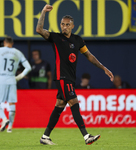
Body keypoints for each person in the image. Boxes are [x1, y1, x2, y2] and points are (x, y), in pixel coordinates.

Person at [36, 4, 114, 145]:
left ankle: (45, 137)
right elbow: (39, 29)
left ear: (73, 26)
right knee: (74, 102)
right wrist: (43, 12)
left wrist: (103, 68)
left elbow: (89, 55)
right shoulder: (56, 38)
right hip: (62, 77)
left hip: (69, 78)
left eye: (67, 24)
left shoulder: (78, 40)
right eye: (62, 24)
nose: (64, 27)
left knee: (60, 105)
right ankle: (86, 136)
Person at [0, 36, 31, 133]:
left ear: (4, 42)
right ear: (12, 43)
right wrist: (19, 77)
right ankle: (10, 127)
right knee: (11, 103)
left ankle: (4, 118)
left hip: (1, 78)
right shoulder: (18, 53)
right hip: (12, 79)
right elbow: (28, 68)